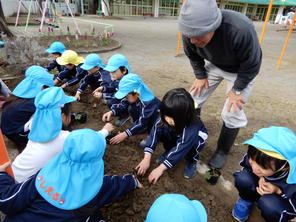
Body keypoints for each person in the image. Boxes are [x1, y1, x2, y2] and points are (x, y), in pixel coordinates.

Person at [178, 0, 262, 181]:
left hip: (241, 71)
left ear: (214, 25)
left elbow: (252, 63)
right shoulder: (190, 31)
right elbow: (193, 55)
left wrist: (237, 89)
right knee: (192, 98)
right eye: (189, 35)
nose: (193, 40)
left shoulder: (240, 29)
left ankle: (222, 152)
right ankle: (193, 136)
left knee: (231, 112)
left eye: (199, 36)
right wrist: (200, 75)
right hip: (215, 65)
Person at [0, 128, 142, 221]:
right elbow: (111, 186)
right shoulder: (94, 190)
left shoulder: (41, 178)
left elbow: (7, 201)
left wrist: (2, 176)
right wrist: (131, 181)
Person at [12, 87, 99, 182]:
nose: (70, 115)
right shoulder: (64, 138)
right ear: (63, 116)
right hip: (27, 186)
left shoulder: (35, 127)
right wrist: (105, 131)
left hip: (14, 171)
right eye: (69, 114)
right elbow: (91, 141)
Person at [136, 88, 208, 181]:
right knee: (164, 130)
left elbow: (182, 147)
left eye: (173, 117)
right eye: (166, 115)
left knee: (193, 144)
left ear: (186, 115)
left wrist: (160, 169)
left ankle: (192, 161)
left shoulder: (191, 125)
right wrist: (146, 159)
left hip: (194, 138)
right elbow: (154, 135)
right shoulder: (164, 119)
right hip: (178, 132)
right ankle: (169, 151)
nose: (168, 120)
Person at [232, 126, 296, 222]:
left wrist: (277, 190)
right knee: (243, 178)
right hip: (260, 189)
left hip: (278, 201)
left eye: (263, 167)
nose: (254, 168)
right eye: (252, 161)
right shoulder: (257, 156)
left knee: (269, 205)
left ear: (285, 167)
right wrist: (261, 176)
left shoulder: (292, 179)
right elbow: (248, 167)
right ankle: (246, 199)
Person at [0, 66, 54, 152]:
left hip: (8, 130)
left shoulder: (19, 97)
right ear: (40, 87)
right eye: (46, 88)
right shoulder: (32, 103)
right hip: (16, 134)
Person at [102, 73, 160, 144]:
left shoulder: (149, 103)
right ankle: (140, 128)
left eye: (126, 96)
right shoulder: (135, 94)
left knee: (154, 122)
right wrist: (112, 112)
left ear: (135, 94)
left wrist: (124, 134)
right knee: (131, 108)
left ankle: (152, 135)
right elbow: (123, 103)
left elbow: (142, 121)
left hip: (156, 121)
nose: (125, 98)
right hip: (144, 116)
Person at [93, 54, 132, 126]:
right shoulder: (119, 78)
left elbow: (121, 98)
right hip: (123, 99)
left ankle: (126, 115)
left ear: (123, 70)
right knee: (110, 102)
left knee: (129, 107)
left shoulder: (128, 82)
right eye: (110, 72)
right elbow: (113, 87)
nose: (111, 75)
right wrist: (103, 88)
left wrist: (103, 95)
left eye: (113, 71)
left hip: (130, 102)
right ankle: (119, 113)